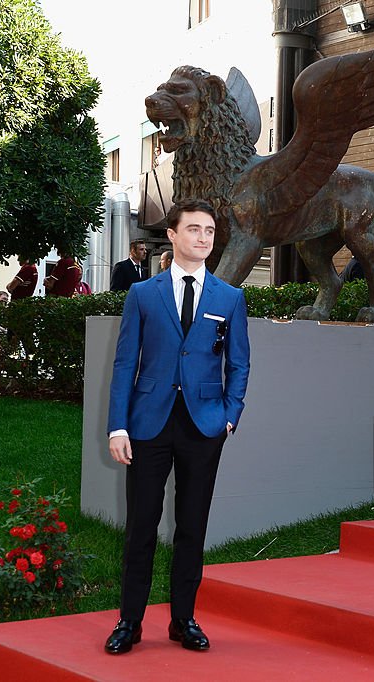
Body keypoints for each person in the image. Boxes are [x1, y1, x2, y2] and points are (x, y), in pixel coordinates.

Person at [104, 199, 250, 656]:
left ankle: (183, 620)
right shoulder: (143, 295)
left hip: (203, 429)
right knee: (141, 527)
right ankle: (130, 622)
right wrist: (117, 427)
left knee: (192, 526)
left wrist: (230, 415)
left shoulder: (229, 298)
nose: (203, 237)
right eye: (194, 229)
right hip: (148, 425)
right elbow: (126, 362)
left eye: (209, 230)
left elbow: (239, 364)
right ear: (172, 234)